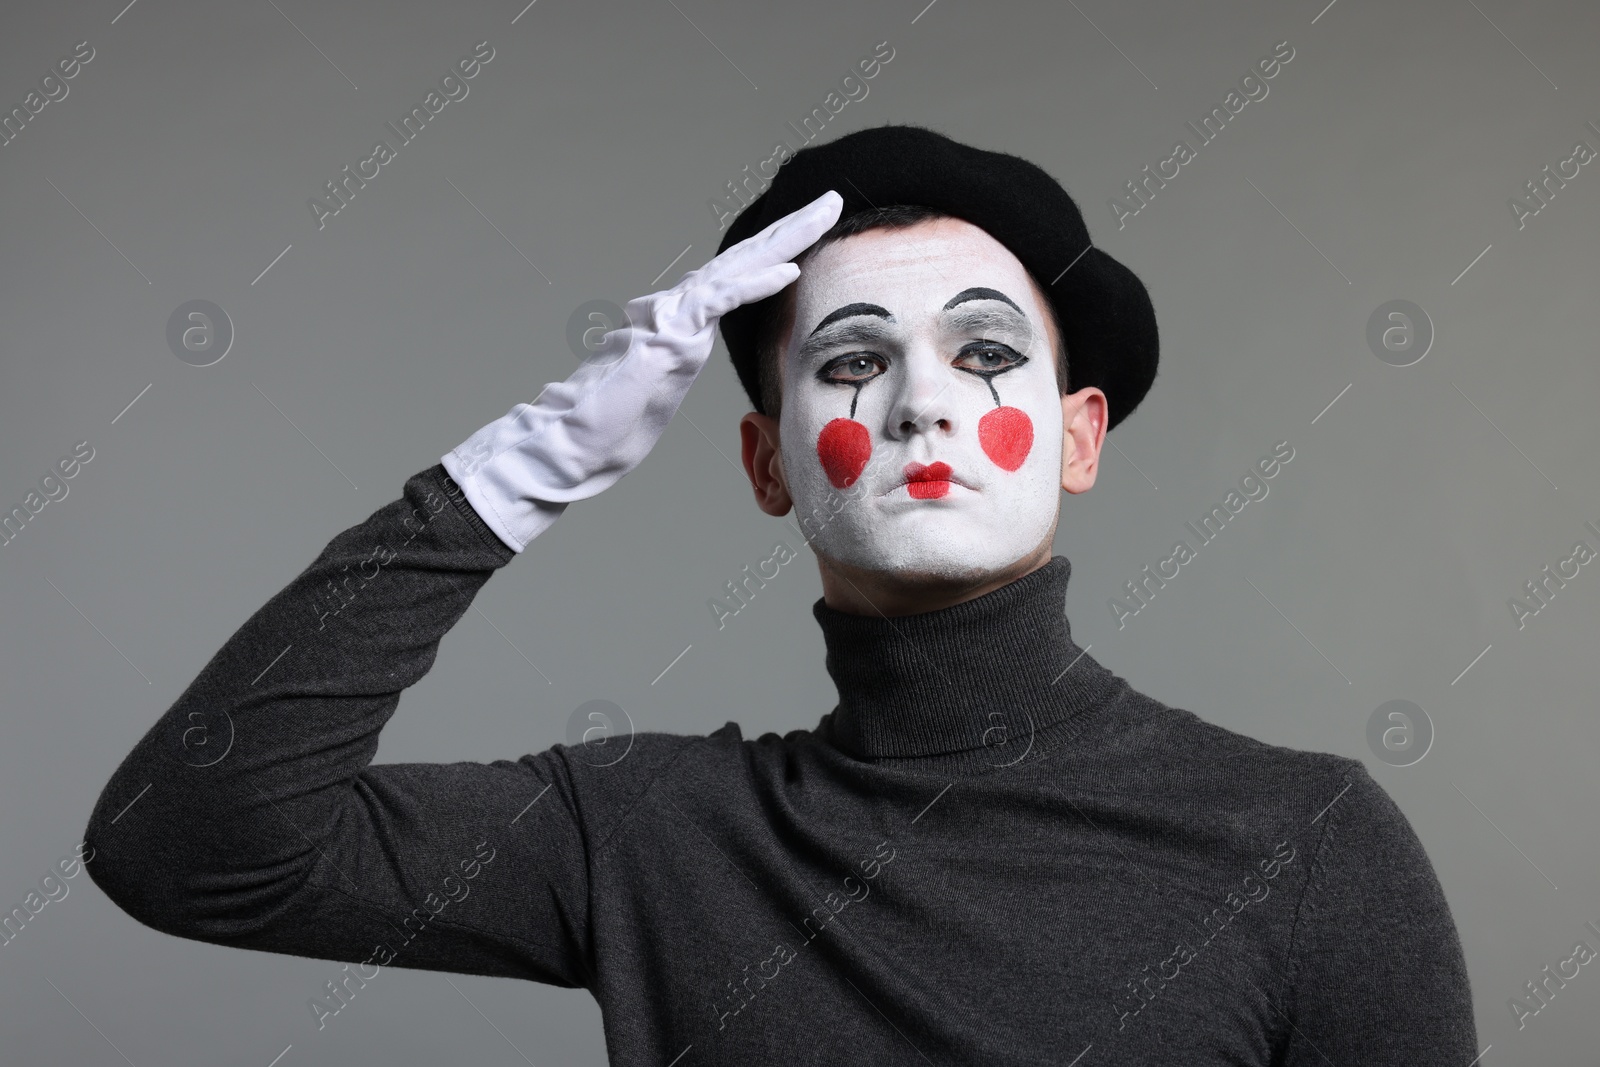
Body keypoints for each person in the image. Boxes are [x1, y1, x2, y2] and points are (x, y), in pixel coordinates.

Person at [83, 124, 1477, 1064]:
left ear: (1075, 436)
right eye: (855, 361)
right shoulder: (647, 834)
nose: (926, 401)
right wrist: (518, 475)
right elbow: (191, 842)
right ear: (768, 462)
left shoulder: (1308, 843)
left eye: (988, 354)